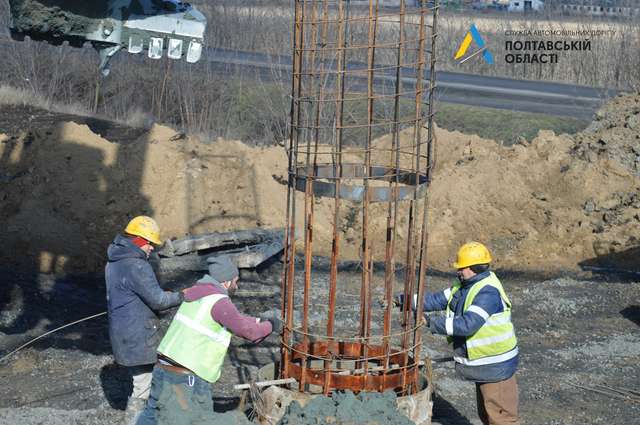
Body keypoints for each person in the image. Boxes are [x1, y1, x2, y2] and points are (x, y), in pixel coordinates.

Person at [137, 255, 275, 425]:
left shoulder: (197, 295)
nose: (236, 286)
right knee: (195, 420)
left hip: (163, 366)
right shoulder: (219, 300)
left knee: (152, 415)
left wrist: (258, 322)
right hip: (187, 375)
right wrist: (272, 325)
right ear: (226, 282)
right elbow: (247, 331)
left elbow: (233, 320)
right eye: (235, 281)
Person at [396, 242, 520, 425]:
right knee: (488, 414)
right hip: (486, 365)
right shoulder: (466, 286)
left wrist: (432, 323)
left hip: (496, 366)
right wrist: (403, 300)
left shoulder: (487, 291)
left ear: (475, 268)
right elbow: (437, 300)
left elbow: (468, 324)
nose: (458, 271)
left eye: (462, 268)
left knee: (502, 419)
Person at [105, 216, 184, 425]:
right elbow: (158, 301)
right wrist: (182, 295)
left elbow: (132, 294)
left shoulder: (113, 263)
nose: (152, 249)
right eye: (150, 243)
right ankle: (135, 421)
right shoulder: (137, 266)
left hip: (122, 333)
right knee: (144, 384)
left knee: (143, 381)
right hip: (139, 335)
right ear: (139, 240)